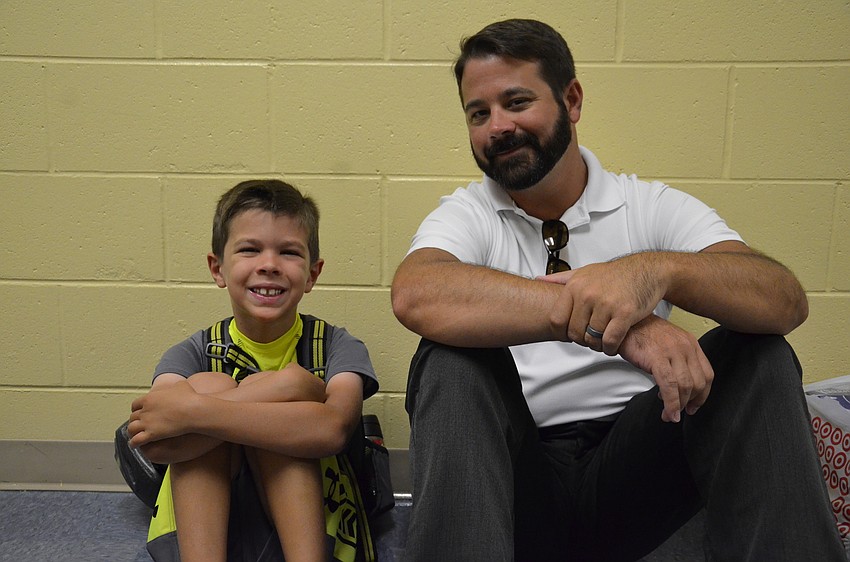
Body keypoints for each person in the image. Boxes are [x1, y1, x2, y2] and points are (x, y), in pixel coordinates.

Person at [391, 18, 844, 561]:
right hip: (516, 474)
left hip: (641, 461)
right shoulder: (469, 213)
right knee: (447, 360)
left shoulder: (647, 205)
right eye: (478, 113)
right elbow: (416, 293)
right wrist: (623, 325)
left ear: (572, 100)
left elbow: (783, 300)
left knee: (760, 351)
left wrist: (652, 272)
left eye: (516, 102)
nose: (498, 127)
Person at [128, 179, 378, 562]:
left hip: (312, 529)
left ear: (312, 273)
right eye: (249, 249)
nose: (269, 265)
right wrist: (289, 387)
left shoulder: (336, 346)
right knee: (212, 383)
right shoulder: (191, 353)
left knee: (278, 424)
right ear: (218, 268)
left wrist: (196, 412)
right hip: (211, 532)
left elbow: (333, 429)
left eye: (289, 252)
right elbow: (158, 442)